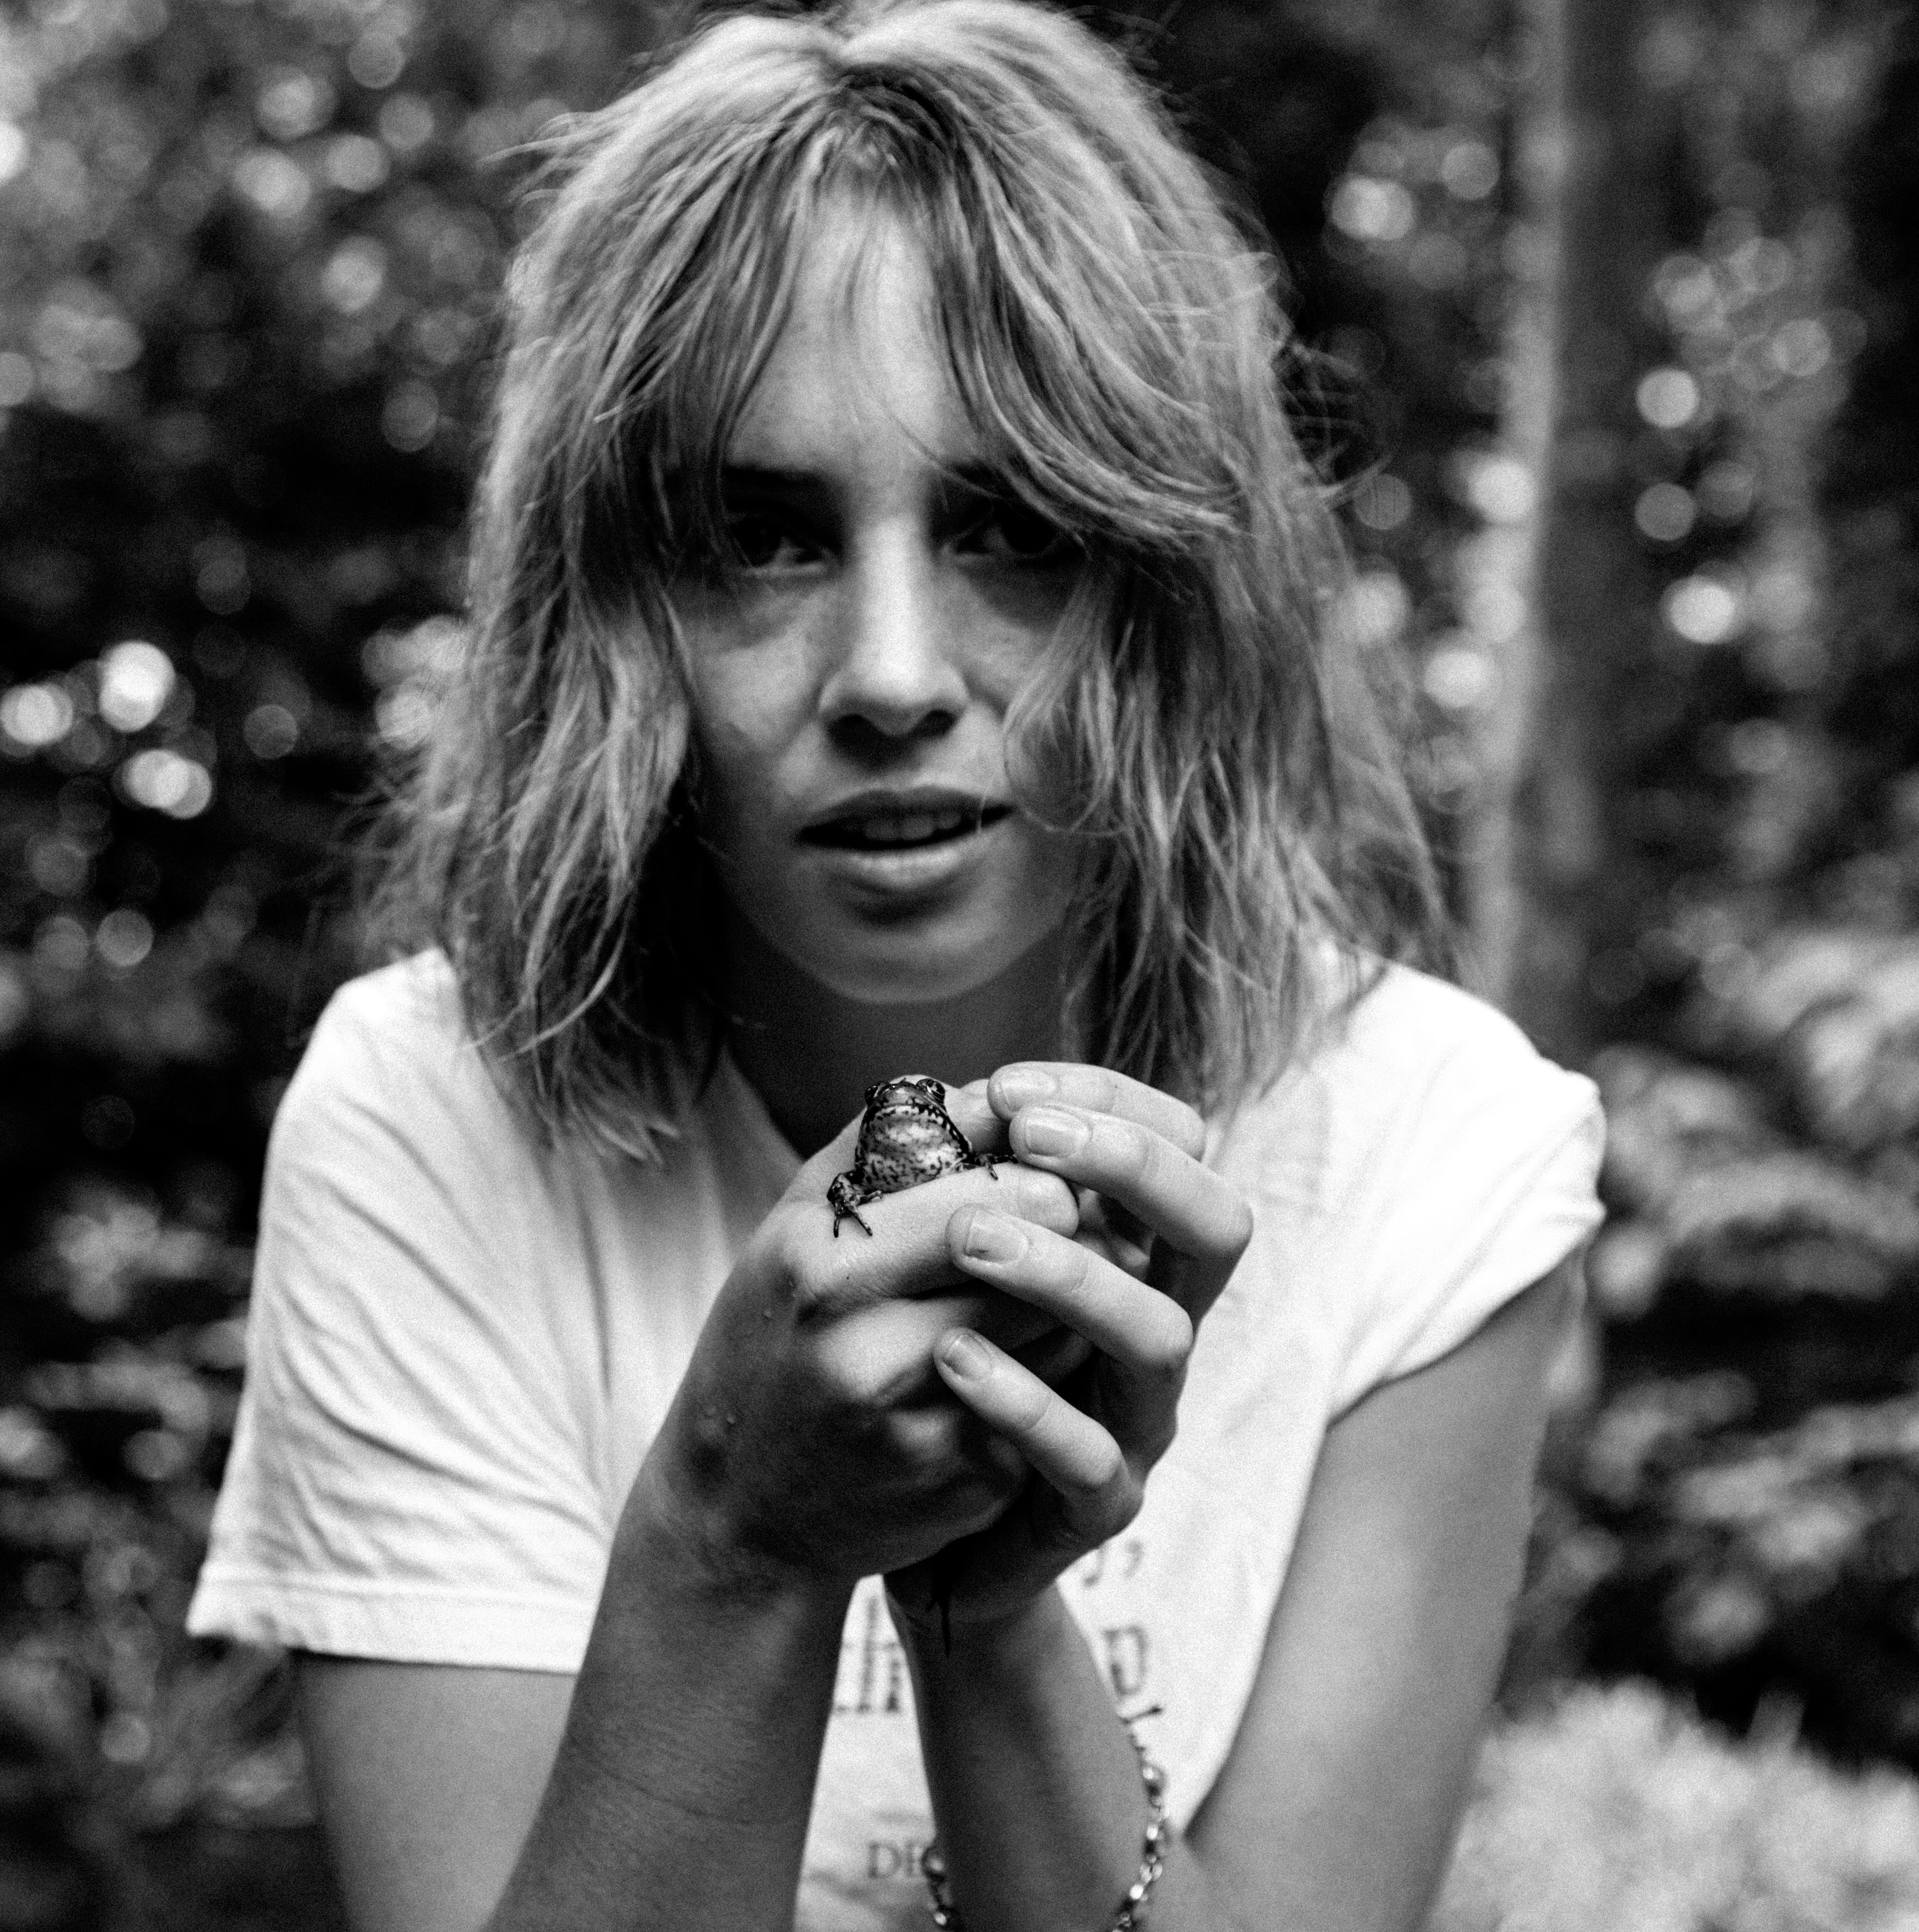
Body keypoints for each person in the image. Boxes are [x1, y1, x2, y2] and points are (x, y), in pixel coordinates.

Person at [187, 4, 1605, 1929]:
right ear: (616, 609)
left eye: (1007, 524)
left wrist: (990, 1604)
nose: (892, 676)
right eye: (762, 538)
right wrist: (729, 1529)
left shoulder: (1433, 1154)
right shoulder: (432, 1118)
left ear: (1172, 580)